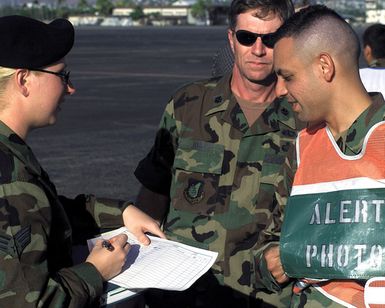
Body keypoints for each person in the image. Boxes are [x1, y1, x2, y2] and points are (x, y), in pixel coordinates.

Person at [134, 0, 303, 306]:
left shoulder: (304, 118)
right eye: (247, 37)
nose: (258, 49)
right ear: (231, 39)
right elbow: (154, 190)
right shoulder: (189, 105)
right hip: (181, 293)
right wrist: (139, 270)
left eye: (271, 39)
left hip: (266, 297)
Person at [0, 15, 165, 308]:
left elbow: (45, 212)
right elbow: (30, 303)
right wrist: (95, 272)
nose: (70, 87)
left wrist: (121, 212)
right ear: (24, 80)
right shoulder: (10, 180)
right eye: (62, 75)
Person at [264, 5, 385, 307]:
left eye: (287, 76)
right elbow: (273, 235)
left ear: (324, 66)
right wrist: (271, 259)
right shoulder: (303, 147)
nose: (279, 90)